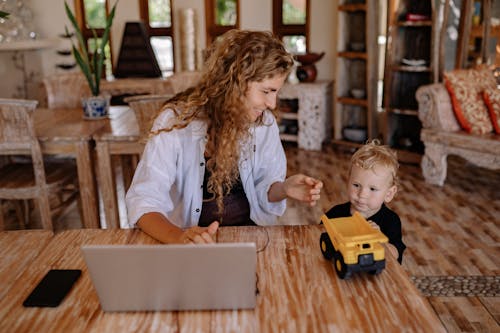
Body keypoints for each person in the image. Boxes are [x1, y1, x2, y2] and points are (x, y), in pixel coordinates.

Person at [126, 29, 323, 244]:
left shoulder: (263, 123)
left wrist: (284, 189)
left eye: (275, 92)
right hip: (189, 237)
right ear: (236, 82)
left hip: (249, 236)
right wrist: (179, 237)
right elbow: (144, 199)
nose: (272, 104)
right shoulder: (175, 120)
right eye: (266, 92)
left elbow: (263, 189)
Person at [325, 140, 406, 263]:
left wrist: (379, 240)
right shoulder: (336, 213)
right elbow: (318, 237)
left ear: (389, 194)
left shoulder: (390, 220)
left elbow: (395, 255)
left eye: (373, 189)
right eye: (356, 185)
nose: (362, 194)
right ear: (348, 182)